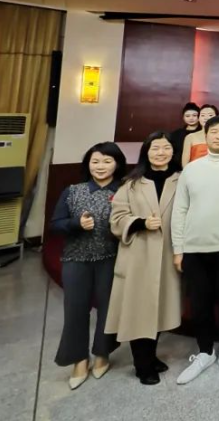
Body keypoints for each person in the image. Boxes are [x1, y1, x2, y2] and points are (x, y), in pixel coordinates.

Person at [171, 115, 219, 385]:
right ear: (205, 135)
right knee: (200, 303)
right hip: (194, 248)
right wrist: (179, 248)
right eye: (214, 132)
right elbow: (180, 210)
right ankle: (204, 352)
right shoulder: (191, 169)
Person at [106, 132, 182, 385]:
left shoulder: (181, 179)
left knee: (158, 308)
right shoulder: (131, 183)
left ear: (173, 152)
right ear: (146, 153)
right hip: (139, 254)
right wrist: (140, 222)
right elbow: (116, 219)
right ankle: (142, 364)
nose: (161, 153)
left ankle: (151, 355)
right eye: (155, 148)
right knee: (139, 310)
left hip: (168, 254)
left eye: (166, 148)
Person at [51, 142, 127, 389]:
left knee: (108, 309)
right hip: (76, 258)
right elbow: (55, 224)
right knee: (75, 310)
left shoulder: (124, 191)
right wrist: (76, 224)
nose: (100, 166)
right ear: (88, 164)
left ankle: (103, 354)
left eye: (107, 161)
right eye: (95, 161)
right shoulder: (73, 191)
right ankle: (79, 360)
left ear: (117, 164)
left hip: (111, 258)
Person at [181, 104, 218, 168]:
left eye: (210, 115)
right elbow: (185, 164)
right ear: (199, 118)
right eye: (203, 115)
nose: (206, 118)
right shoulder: (190, 137)